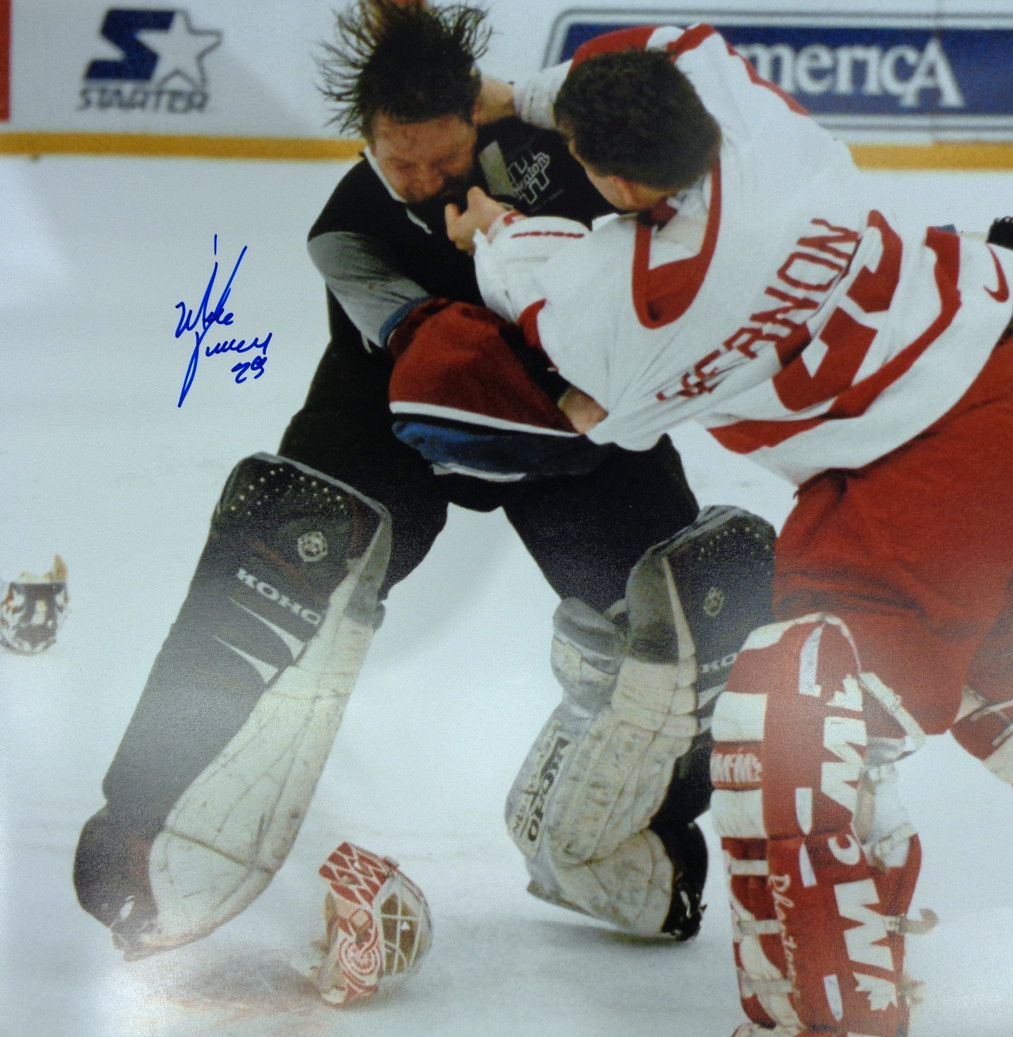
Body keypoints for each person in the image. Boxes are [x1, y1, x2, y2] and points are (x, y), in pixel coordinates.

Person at [445, 24, 1013, 1037]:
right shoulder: (740, 110)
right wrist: (508, 92)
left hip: (913, 481)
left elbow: (593, 404)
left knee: (792, 711)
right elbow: (659, 48)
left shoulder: (636, 305)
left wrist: (488, 229)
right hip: (998, 387)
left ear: (615, 184)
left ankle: (821, 1016)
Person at [71, 1, 759, 963]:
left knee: (687, 600)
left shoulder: (566, 158)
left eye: (449, 161)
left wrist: (606, 376)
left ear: (476, 120)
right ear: (366, 143)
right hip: (402, 404)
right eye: (405, 167)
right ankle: (141, 812)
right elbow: (440, 363)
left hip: (571, 411)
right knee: (281, 539)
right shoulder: (346, 232)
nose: (432, 186)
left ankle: (659, 842)